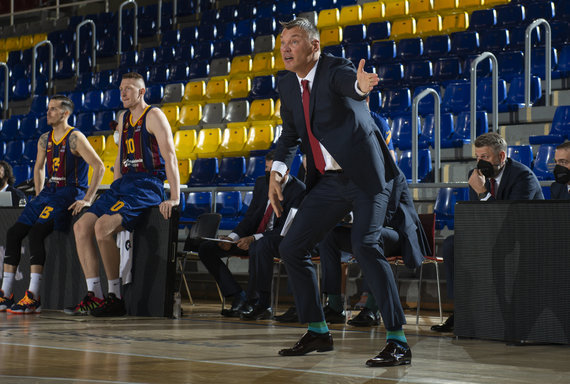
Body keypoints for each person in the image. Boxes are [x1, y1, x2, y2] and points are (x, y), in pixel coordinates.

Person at [269, 18, 411, 367]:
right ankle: (318, 330)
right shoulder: (288, 86)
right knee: (291, 246)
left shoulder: (335, 69)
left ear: (314, 47)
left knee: (365, 244)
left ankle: (398, 341)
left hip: (366, 176)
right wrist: (277, 171)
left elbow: (353, 85)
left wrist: (362, 86)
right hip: (330, 181)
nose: (286, 48)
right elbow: (290, 135)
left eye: (295, 41)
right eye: (283, 41)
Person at [68, 72, 180, 317]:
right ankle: (94, 294)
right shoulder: (123, 117)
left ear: (141, 92)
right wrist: (114, 189)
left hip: (147, 185)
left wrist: (174, 196)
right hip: (123, 186)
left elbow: (170, 156)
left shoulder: (155, 115)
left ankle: (114, 296)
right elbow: (120, 159)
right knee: (81, 227)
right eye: (121, 88)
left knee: (102, 228)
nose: (123, 92)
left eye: (129, 88)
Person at [0, 95, 104, 314]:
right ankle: (5, 293)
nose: (48, 112)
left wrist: (87, 198)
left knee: (37, 233)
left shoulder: (75, 137)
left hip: (68, 191)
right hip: (48, 192)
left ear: (65, 113)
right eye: (48, 109)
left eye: (53, 109)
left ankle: (33, 297)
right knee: (13, 233)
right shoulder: (44, 139)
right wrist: (39, 195)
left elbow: (99, 166)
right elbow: (38, 168)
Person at [431, 132, 544, 333]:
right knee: (451, 244)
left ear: (501, 157)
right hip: (493, 234)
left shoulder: (523, 177)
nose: (479, 162)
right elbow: (480, 215)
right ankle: (461, 310)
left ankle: (503, 314)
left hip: (522, 238)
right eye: (477, 157)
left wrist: (483, 193)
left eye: (485, 157)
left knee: (495, 250)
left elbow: (510, 221)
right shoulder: (477, 176)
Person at [198, 151, 305, 319]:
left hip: (279, 239)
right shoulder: (262, 183)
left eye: (273, 171)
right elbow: (251, 217)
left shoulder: (298, 189)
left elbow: (286, 228)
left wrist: (254, 238)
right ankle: (236, 295)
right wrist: (232, 237)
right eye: (267, 170)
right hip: (255, 238)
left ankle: (258, 303)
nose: (269, 174)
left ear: (286, 171)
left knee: (258, 246)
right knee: (207, 248)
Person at [319, 171, 431, 327]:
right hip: (367, 230)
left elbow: (386, 214)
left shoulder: (392, 174)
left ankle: (372, 308)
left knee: (371, 237)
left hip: (397, 233)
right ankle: (334, 305)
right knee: (329, 237)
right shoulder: (355, 177)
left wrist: (354, 218)